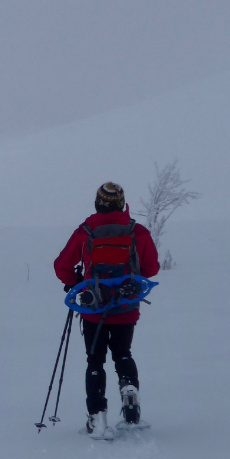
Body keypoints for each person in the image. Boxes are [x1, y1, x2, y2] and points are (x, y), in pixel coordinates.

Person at [54, 182, 160, 437]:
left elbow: (61, 265)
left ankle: (97, 418)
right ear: (122, 204)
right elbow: (152, 268)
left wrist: (75, 283)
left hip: (94, 307)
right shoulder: (137, 231)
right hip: (126, 305)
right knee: (123, 353)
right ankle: (129, 391)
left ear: (98, 203)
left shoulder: (87, 230)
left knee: (95, 360)